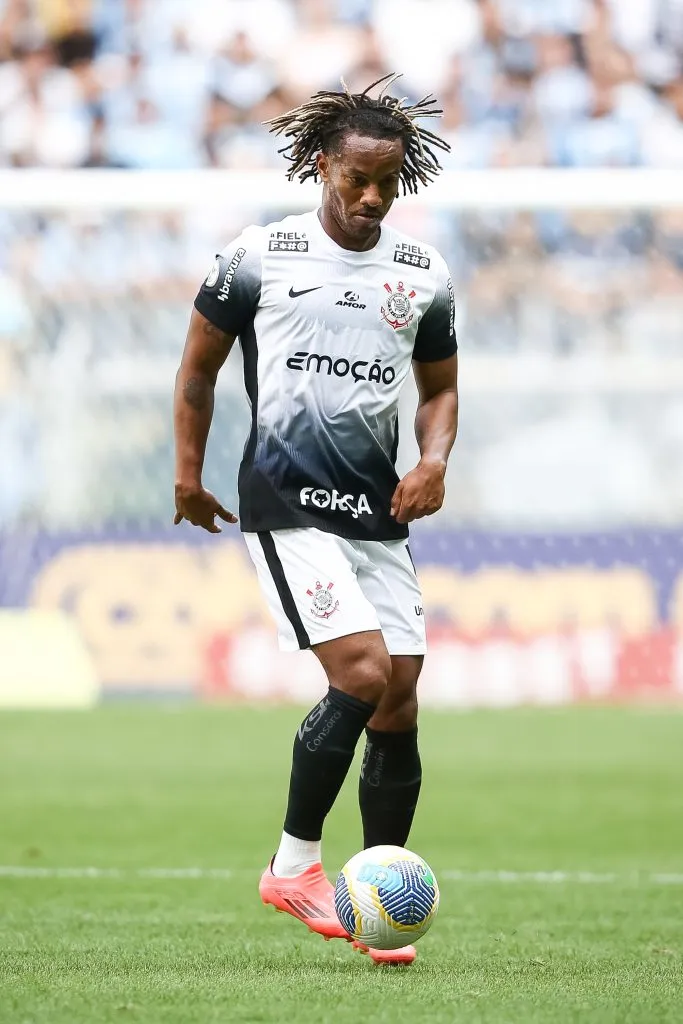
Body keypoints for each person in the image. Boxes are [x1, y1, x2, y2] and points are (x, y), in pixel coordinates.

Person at [173, 74, 458, 966]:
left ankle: (379, 910)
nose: (371, 197)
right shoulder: (258, 254)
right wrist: (187, 474)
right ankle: (294, 864)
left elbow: (440, 389)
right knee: (364, 671)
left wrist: (434, 460)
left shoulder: (422, 272)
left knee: (401, 694)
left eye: (387, 182)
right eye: (355, 180)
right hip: (286, 501)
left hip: (375, 512)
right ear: (322, 167)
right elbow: (196, 371)